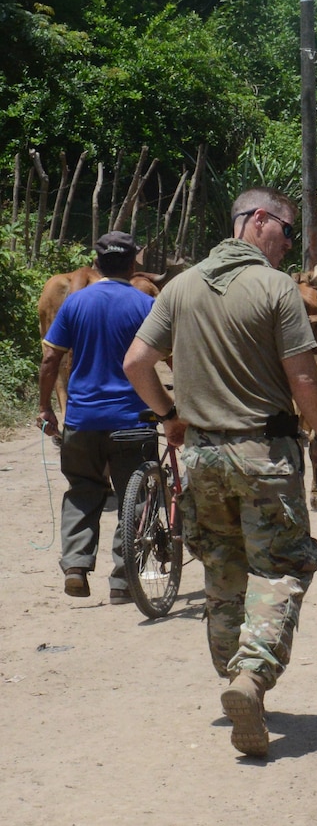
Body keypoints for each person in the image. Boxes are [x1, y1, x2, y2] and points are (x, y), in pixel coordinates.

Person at [123, 187, 317, 758]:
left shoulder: (181, 286)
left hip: (200, 459)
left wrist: (168, 416)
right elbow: (306, 381)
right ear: (260, 221)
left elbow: (136, 363)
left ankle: (235, 681)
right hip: (262, 456)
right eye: (287, 232)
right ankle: (252, 679)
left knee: (221, 573)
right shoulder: (276, 289)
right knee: (280, 568)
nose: (289, 245)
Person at [38, 231, 156, 602]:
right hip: (133, 420)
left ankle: (76, 565)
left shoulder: (75, 304)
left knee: (82, 490)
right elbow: (169, 360)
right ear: (134, 261)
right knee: (133, 499)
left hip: (82, 419)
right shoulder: (145, 305)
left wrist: (45, 408)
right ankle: (122, 582)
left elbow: (50, 359)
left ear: (97, 262)